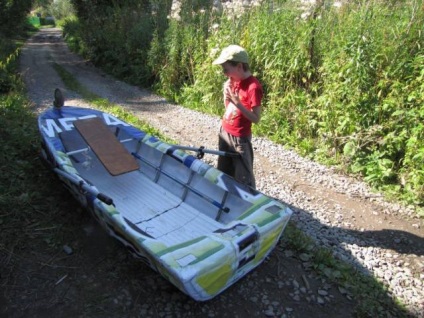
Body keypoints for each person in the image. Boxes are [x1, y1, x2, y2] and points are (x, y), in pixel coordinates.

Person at [212, 44, 263, 189]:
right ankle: (225, 194)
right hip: (225, 131)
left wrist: (238, 103)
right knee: (224, 169)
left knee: (243, 176)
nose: (224, 73)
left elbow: (256, 118)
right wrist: (226, 94)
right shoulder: (235, 80)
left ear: (239, 66)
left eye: (226, 70)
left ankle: (247, 200)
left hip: (240, 138)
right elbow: (229, 108)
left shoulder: (253, 87)